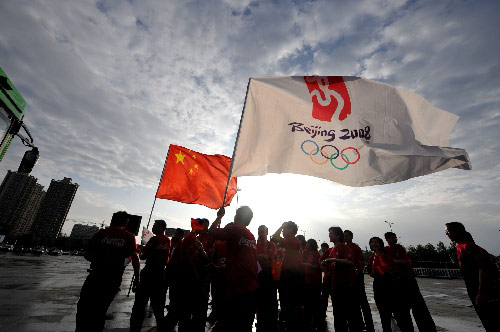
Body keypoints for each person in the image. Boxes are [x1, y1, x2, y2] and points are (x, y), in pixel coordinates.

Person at [76, 211, 139, 332]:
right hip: (113, 280)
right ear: (126, 223)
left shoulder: (102, 233)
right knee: (101, 310)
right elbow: (134, 258)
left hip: (95, 276)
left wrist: (100, 260)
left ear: (112, 220)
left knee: (84, 308)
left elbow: (87, 255)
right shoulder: (129, 237)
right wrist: (137, 278)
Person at [208, 207, 259, 332]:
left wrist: (219, 216)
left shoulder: (235, 229)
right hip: (252, 288)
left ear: (237, 217)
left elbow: (212, 231)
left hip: (238, 289)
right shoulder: (251, 236)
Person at [445, 222, 500, 332]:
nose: (446, 233)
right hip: (476, 291)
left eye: (448, 231)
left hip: (485, 292)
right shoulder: (460, 247)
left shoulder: (469, 247)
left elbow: (483, 268)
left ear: (457, 232)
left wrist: (481, 293)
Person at [384, 232, 436, 332]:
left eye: (395, 237)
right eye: (392, 238)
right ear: (387, 239)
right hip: (397, 282)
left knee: (418, 308)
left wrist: (397, 262)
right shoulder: (386, 250)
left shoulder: (400, 248)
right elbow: (390, 262)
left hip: (409, 280)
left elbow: (405, 261)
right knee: (402, 311)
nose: (395, 239)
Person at [164, 218, 210, 332]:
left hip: (189, 279)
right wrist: (194, 274)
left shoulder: (195, 239)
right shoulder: (191, 238)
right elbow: (187, 259)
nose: (205, 228)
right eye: (203, 226)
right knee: (184, 310)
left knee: (185, 309)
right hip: (186, 279)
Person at [130, 219, 170, 332]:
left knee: (140, 305)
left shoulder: (154, 239)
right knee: (158, 306)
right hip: (161, 273)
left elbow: (143, 257)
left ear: (161, 227)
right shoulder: (167, 240)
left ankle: (135, 328)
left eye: (155, 225)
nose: (153, 227)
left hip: (149, 273)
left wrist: (140, 252)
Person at [367, 237, 414, 332]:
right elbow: (370, 272)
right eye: (371, 242)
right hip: (379, 288)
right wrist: (376, 272)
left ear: (380, 243)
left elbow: (392, 268)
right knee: (384, 316)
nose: (373, 244)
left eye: (375, 242)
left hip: (391, 287)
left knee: (399, 314)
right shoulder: (372, 258)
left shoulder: (387, 256)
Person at [321, 226, 362, 332]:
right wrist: (326, 265)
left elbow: (350, 262)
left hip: (345, 287)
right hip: (335, 286)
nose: (329, 235)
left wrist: (332, 259)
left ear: (338, 236)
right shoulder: (333, 249)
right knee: (338, 315)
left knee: (348, 315)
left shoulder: (344, 247)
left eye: (331, 233)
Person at [271, 221, 304, 332]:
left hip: (292, 274)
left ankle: (289, 324)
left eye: (285, 229)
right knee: (287, 301)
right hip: (289, 273)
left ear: (291, 230)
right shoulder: (291, 241)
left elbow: (275, 237)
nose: (283, 231)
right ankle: (288, 321)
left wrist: (281, 226)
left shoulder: (292, 241)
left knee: (288, 302)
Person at [344, 230, 374, 332]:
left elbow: (361, 262)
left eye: (347, 236)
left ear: (351, 237)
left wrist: (357, 272)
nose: (345, 238)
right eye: (344, 237)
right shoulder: (344, 247)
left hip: (357, 278)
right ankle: (359, 324)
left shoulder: (355, 247)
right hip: (348, 279)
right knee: (353, 303)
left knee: (363, 302)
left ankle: (369, 324)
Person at [256, 225, 278, 332]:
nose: (261, 233)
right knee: (259, 301)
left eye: (263, 232)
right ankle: (260, 321)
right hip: (258, 276)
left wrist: (266, 258)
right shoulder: (255, 245)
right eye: (259, 231)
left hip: (269, 276)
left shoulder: (271, 245)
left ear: (267, 233)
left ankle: (271, 322)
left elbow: (273, 258)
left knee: (270, 300)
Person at [302, 239, 322, 330]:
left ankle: (316, 322)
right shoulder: (307, 253)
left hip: (315, 282)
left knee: (315, 303)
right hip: (307, 281)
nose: (307, 245)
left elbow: (319, 266)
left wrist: (309, 266)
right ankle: (308, 320)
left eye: (308, 244)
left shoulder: (316, 254)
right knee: (308, 302)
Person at [319, 242, 331, 322]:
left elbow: (321, 261)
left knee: (324, 297)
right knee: (324, 297)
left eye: (323, 248)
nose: (323, 250)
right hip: (327, 278)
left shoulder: (329, 251)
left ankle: (322, 313)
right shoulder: (331, 250)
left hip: (329, 278)